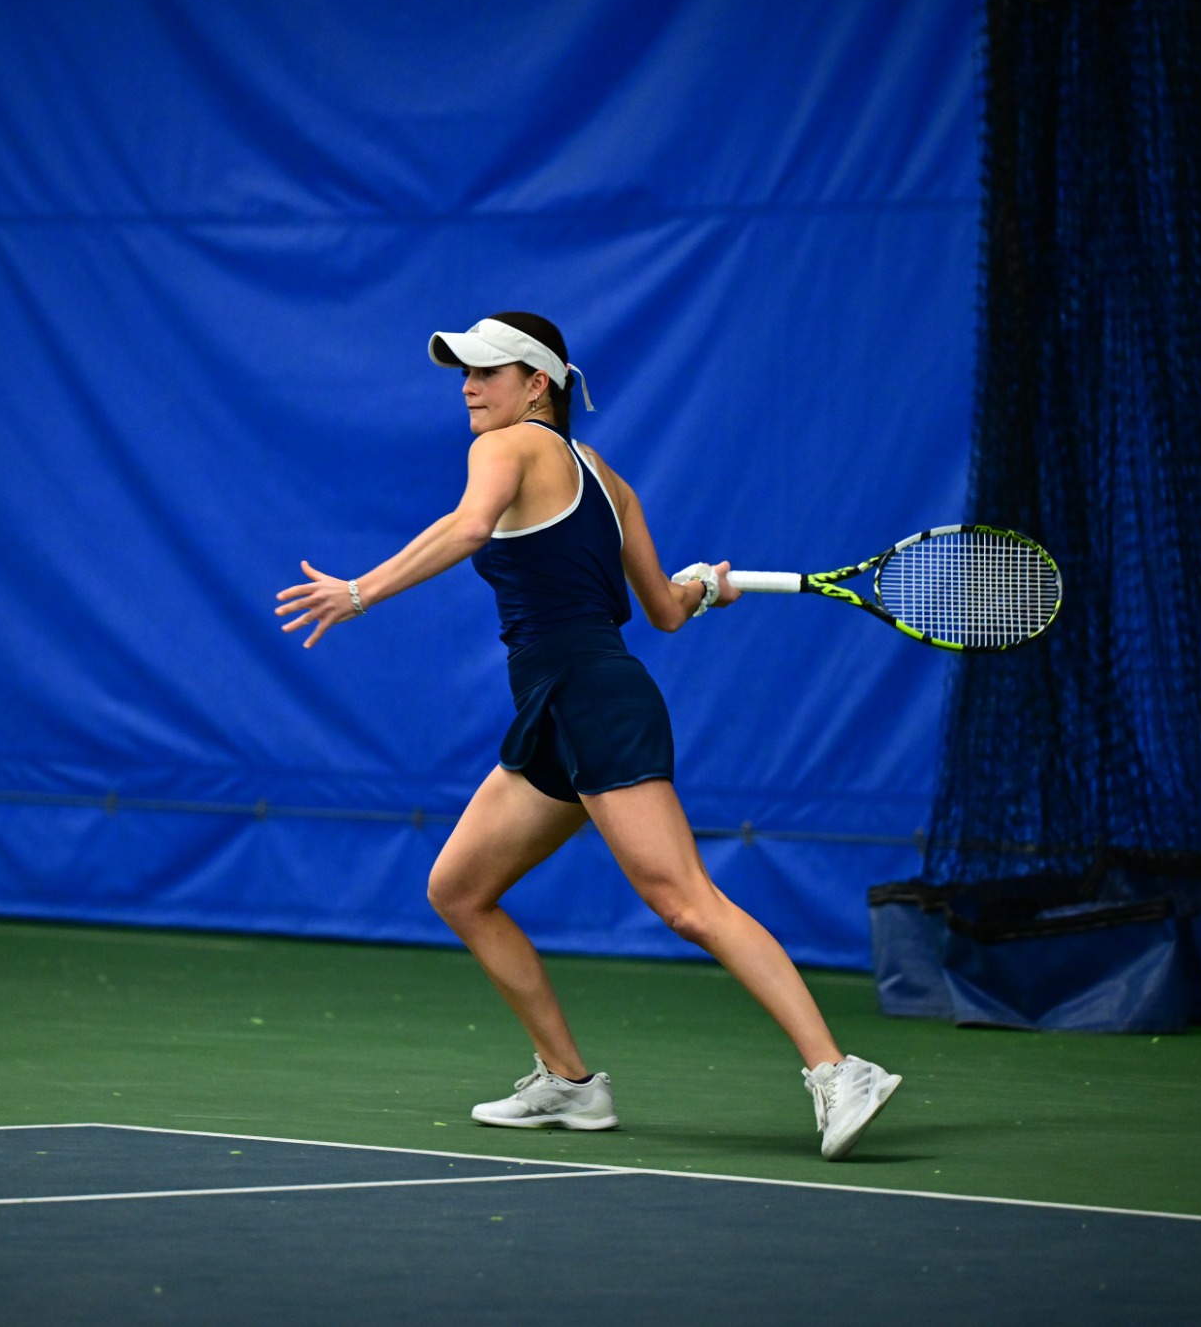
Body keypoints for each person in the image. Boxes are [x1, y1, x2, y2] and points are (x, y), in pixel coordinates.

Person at [274, 312, 900, 1160]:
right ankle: (569, 1083)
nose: (468, 385)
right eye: (463, 371)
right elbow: (668, 614)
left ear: (538, 384)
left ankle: (838, 1070)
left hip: (591, 697)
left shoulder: (506, 445)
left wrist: (359, 592)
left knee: (685, 900)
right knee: (459, 887)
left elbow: (465, 529)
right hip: (559, 704)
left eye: (487, 372)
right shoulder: (607, 480)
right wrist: (706, 588)